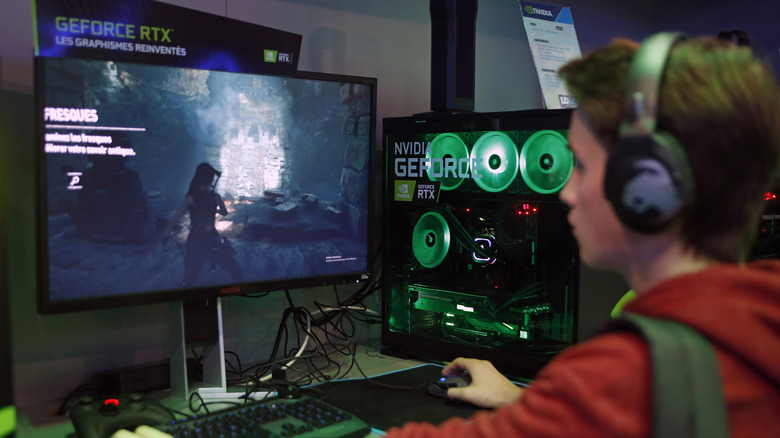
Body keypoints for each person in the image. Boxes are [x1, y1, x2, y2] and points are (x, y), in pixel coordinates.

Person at [384, 33, 780, 437]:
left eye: (583, 166)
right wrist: (531, 404)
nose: (566, 192)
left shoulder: (629, 366)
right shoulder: (761, 313)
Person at [163, 162, 243, 286]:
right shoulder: (215, 196)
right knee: (233, 269)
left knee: (190, 276)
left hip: (196, 240)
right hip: (210, 238)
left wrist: (166, 235)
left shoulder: (191, 198)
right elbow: (224, 212)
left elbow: (175, 218)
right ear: (209, 179)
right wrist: (214, 209)